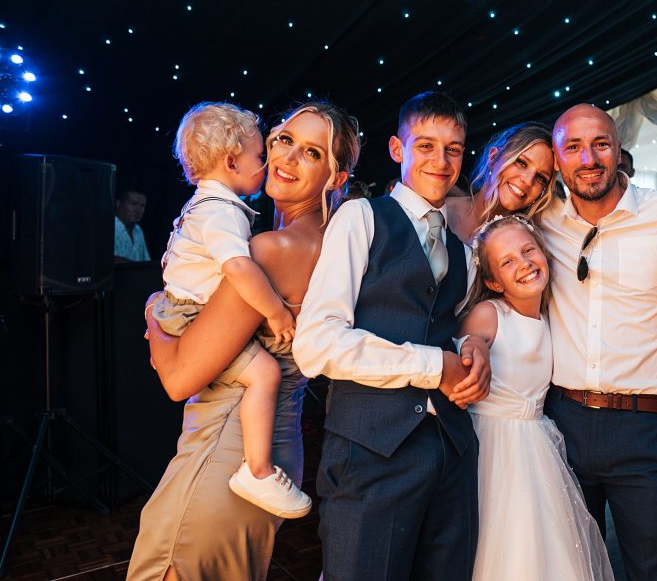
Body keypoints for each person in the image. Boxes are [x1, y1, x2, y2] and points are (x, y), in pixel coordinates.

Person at [128, 101, 359, 580]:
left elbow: (178, 377)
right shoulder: (325, 245)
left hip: (223, 460)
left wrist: (153, 314)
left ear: (336, 178)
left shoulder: (271, 250)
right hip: (275, 453)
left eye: (312, 153)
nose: (287, 158)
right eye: (284, 140)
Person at [293, 92, 490, 581]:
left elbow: (449, 327)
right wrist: (432, 366)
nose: (441, 161)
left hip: (452, 451)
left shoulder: (463, 253)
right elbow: (316, 343)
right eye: (426, 145)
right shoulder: (361, 218)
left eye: (453, 149)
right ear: (398, 150)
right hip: (370, 454)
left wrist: (470, 348)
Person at [540, 103, 657, 579]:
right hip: (561, 423)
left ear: (619, 150)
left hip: (643, 428)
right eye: (574, 148)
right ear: (557, 160)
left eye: (600, 144)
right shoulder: (540, 224)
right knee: (573, 566)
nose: (589, 159)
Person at [150, 102, 309, 518]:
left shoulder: (203, 204)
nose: (268, 163)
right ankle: (257, 470)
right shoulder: (223, 212)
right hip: (190, 313)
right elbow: (238, 267)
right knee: (265, 373)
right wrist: (275, 311)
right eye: (262, 156)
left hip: (179, 308)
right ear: (232, 160)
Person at [457, 215, 613, 581]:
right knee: (504, 542)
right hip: (494, 447)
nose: (524, 263)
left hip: (537, 444)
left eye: (528, 251)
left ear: (544, 252)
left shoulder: (550, 317)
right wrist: (472, 346)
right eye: (508, 261)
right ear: (493, 281)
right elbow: (469, 343)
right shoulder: (491, 313)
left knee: (545, 547)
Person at [446, 121, 555, 242]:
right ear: (493, 158)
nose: (529, 181)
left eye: (540, 178)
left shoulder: (525, 243)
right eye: (522, 163)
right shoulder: (438, 209)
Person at [114, 187, 151, 262]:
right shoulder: (110, 227)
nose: (138, 210)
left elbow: (146, 262)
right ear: (118, 204)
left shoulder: (138, 231)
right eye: (134, 204)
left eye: (142, 206)